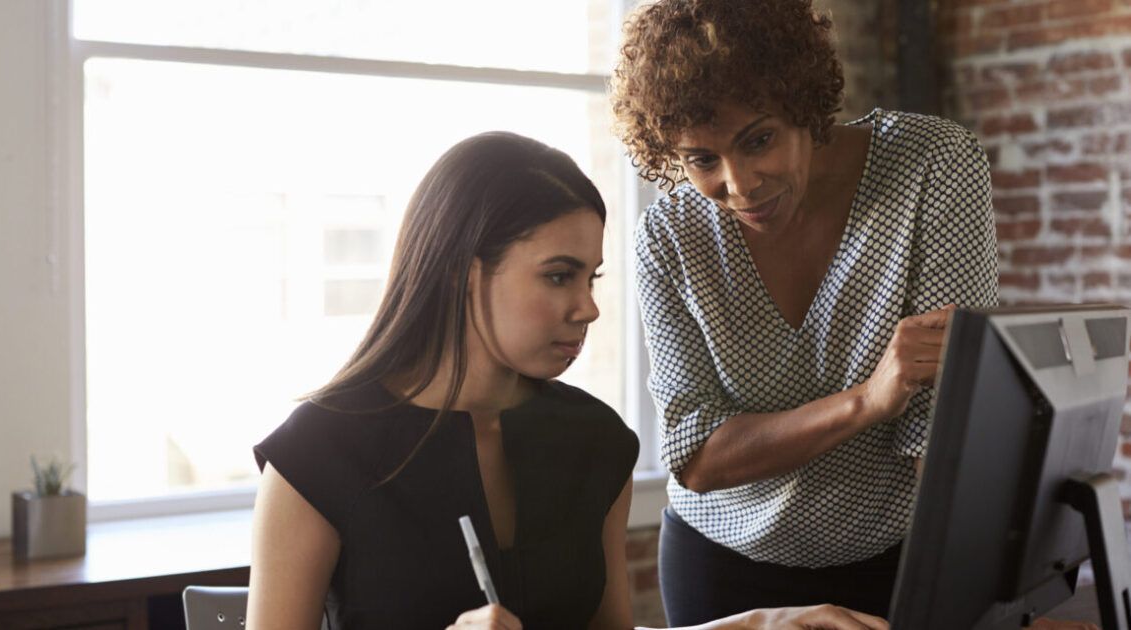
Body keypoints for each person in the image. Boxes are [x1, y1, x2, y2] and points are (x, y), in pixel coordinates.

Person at [245, 131, 891, 630]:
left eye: (592, 278)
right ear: (461, 273)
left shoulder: (595, 440)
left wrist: (757, 623)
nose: (587, 308)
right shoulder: (317, 456)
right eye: (559, 275)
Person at [610, 0, 1002, 624]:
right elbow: (697, 457)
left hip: (893, 560)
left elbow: (942, 427)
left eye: (758, 140)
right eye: (701, 159)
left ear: (805, 104)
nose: (739, 185)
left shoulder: (932, 166)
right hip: (719, 566)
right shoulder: (669, 233)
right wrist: (868, 400)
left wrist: (961, 595)